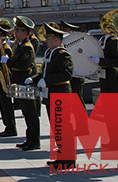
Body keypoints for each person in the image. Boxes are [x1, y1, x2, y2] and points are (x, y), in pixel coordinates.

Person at [33, 22, 75, 169]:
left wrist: (47, 80)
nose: (46, 41)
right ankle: (61, 156)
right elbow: (44, 72)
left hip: (61, 94)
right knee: (57, 127)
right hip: (52, 95)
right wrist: (34, 79)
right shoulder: (50, 53)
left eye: (48, 38)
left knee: (63, 127)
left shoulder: (63, 55)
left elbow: (66, 73)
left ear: (57, 40)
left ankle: (68, 159)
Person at [10, 16, 40, 151]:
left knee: (31, 113)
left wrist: (8, 62)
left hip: (26, 82)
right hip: (20, 82)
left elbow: (23, 65)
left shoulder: (27, 47)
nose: (15, 33)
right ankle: (29, 139)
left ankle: (35, 141)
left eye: (18, 31)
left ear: (25, 33)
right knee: (26, 113)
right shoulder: (21, 46)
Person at [0, 21, 17, 138]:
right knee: (3, 104)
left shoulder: (6, 47)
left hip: (5, 80)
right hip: (0, 79)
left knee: (6, 105)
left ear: (0, 35)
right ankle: (7, 126)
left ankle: (11, 127)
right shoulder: (0, 47)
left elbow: (8, 63)